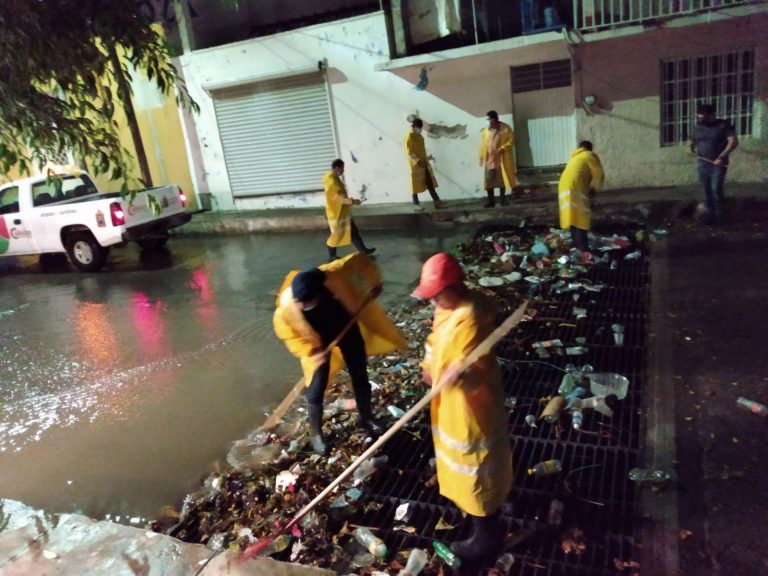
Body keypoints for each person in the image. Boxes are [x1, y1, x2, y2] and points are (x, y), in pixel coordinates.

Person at [411, 253, 513, 561]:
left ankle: (487, 536)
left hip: (472, 409)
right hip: (450, 404)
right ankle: (490, 510)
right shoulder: (447, 308)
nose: (433, 300)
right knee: (465, 466)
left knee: (476, 468)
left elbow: (479, 367)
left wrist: (462, 374)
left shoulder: (471, 318)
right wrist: (429, 366)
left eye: (437, 294)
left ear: (454, 287)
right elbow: (434, 341)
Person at [273, 253, 407, 456]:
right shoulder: (287, 308)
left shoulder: (333, 273)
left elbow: (362, 261)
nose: (302, 306)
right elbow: (289, 335)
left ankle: (366, 418)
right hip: (317, 342)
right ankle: (316, 434)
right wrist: (311, 352)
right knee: (317, 386)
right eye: (300, 303)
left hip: (346, 326)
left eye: (307, 302)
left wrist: (375, 282)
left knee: (359, 374)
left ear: (320, 292)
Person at [690, 103, 738, 224]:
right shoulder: (698, 126)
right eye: (699, 116)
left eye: (703, 116)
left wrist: (722, 157)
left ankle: (720, 217)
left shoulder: (723, 125)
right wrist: (690, 147)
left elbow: (733, 142)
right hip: (703, 164)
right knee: (707, 191)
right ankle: (710, 217)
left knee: (715, 189)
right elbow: (693, 140)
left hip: (718, 164)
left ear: (711, 115)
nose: (701, 118)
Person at [558, 140, 604, 254]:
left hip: (563, 186)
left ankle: (576, 244)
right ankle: (582, 248)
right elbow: (599, 174)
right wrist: (594, 190)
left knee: (572, 215)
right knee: (581, 216)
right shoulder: (589, 155)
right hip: (575, 186)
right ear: (590, 149)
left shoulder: (575, 158)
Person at [324, 159, 375, 261]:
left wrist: (350, 202)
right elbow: (337, 198)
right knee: (336, 235)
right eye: (342, 168)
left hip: (342, 212)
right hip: (337, 214)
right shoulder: (331, 181)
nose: (343, 171)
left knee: (353, 231)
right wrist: (352, 201)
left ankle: (363, 250)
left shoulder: (333, 177)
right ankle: (331, 256)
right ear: (337, 167)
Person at [405, 118, 447, 212]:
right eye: (420, 128)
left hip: (424, 164)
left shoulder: (420, 137)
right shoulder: (409, 137)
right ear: (415, 127)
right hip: (415, 166)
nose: (421, 130)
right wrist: (417, 161)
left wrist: (428, 158)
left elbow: (421, 152)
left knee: (429, 182)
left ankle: (437, 201)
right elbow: (410, 153)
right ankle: (416, 204)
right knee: (414, 185)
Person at [478, 110, 517, 208]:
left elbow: (511, 140)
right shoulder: (486, 131)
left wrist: (503, 147)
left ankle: (503, 200)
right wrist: (481, 157)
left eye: (489, 119)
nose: (487, 121)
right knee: (489, 182)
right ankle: (491, 202)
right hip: (489, 160)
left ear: (494, 119)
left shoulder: (505, 128)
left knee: (501, 181)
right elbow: (483, 145)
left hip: (501, 160)